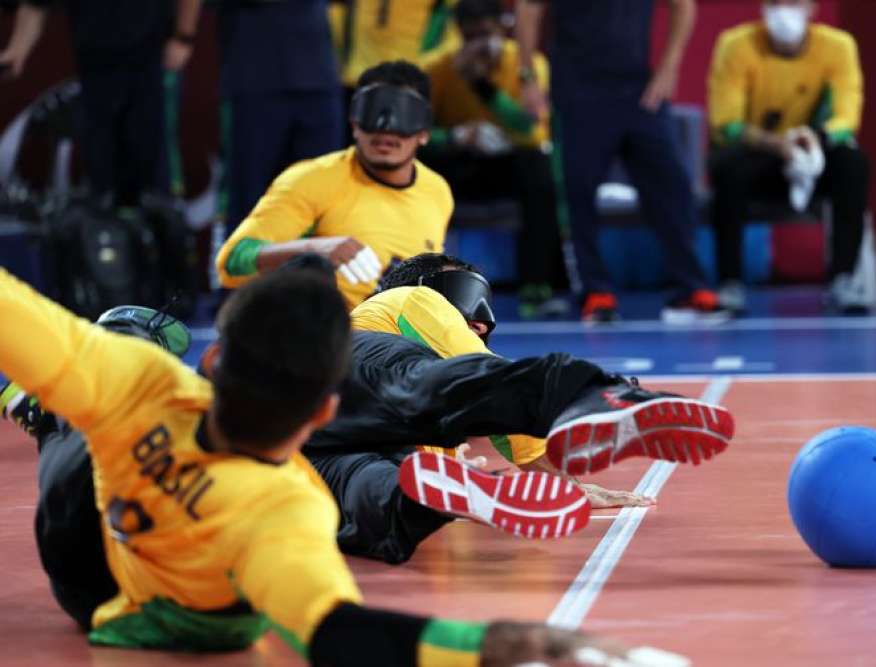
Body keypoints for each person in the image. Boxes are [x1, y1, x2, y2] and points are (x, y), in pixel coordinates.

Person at [1, 264, 704, 666]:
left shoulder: (134, 379)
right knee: (386, 441)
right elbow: (344, 635)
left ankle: (38, 404)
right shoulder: (287, 511)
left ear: (213, 362)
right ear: (316, 413)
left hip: (79, 557)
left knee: (81, 396)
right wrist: (515, 646)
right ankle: (563, 401)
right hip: (162, 610)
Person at [308, 253, 654, 564]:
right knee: (483, 380)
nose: (484, 321)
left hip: (312, 431)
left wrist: (455, 484)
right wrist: (562, 482)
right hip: (351, 368)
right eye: (465, 290)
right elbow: (484, 381)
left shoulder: (433, 419)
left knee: (380, 494)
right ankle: (583, 394)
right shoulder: (412, 298)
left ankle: (417, 498)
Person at [515, 0, 724, 324]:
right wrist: (527, 75)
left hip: (639, 89)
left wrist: (669, 67)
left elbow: (683, 6)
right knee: (578, 193)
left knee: (672, 185)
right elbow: (528, 8)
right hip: (577, 93)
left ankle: (690, 289)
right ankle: (595, 292)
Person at [215, 60, 453, 309]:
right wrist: (315, 249)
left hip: (402, 335)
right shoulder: (312, 179)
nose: (386, 128)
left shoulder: (437, 191)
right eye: (373, 111)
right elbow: (231, 261)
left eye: (404, 114)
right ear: (354, 123)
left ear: (424, 131)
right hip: (326, 336)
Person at [707, 0, 870, 314]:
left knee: (854, 164)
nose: (783, 11)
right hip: (759, 160)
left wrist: (815, 138)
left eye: (792, 2)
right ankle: (730, 283)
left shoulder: (838, 46)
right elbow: (725, 124)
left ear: (811, 7)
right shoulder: (736, 45)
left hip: (812, 154)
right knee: (726, 167)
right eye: (774, 2)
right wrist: (776, 144)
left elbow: (847, 118)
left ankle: (843, 281)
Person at [420, 0, 568, 320]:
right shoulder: (436, 68)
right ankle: (421, 286)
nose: (478, 43)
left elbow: (532, 132)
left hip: (507, 165)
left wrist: (482, 87)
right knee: (417, 171)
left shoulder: (528, 65)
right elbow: (416, 133)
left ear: (502, 28)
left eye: (485, 33)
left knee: (538, 171)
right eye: (470, 35)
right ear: (458, 33)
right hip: (457, 164)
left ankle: (536, 289)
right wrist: (456, 136)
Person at [0, 0, 201, 206]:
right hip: (94, 65)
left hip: (153, 60)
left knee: (154, 177)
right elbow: (36, 4)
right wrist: (18, 48)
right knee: (101, 176)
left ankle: (158, 225)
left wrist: (183, 35)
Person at [215, 0, 345, 237]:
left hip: (318, 77)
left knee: (322, 198)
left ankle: (316, 273)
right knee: (251, 202)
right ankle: (243, 273)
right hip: (256, 80)